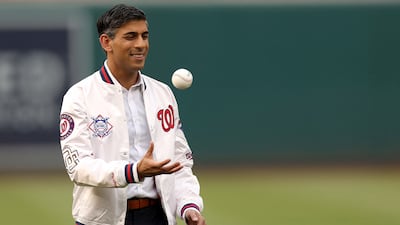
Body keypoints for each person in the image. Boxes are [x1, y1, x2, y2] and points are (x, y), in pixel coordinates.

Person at [59, 4, 206, 225]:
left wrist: (189, 206)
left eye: (144, 36)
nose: (140, 44)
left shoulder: (162, 94)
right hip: (101, 219)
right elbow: (79, 167)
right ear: (106, 42)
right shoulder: (79, 95)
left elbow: (179, 161)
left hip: (156, 216)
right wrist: (133, 171)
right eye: (130, 36)